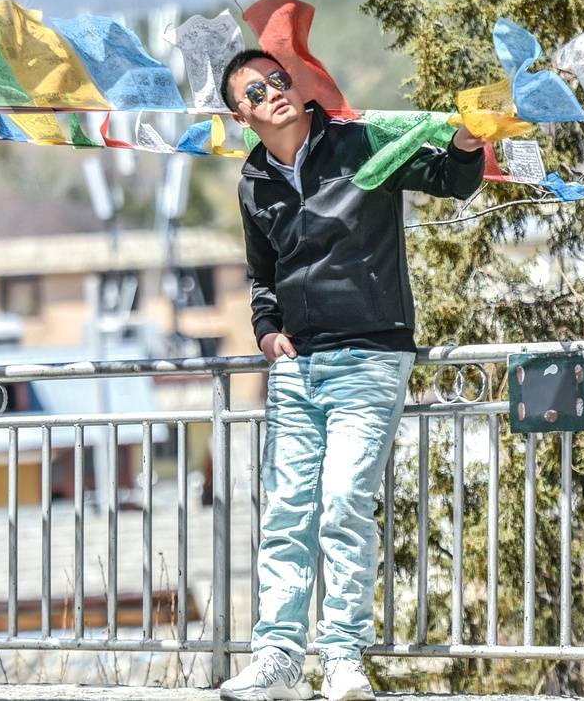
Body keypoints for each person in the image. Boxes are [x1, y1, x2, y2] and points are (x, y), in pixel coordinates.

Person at [216, 50, 486, 701]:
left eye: (278, 79)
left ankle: (342, 655)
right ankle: (277, 658)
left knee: (342, 501)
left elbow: (450, 175)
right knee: (286, 513)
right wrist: (266, 329)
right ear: (240, 114)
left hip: (370, 356)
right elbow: (262, 276)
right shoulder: (254, 180)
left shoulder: (360, 143)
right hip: (298, 366)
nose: (274, 92)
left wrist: (468, 138)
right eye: (256, 90)